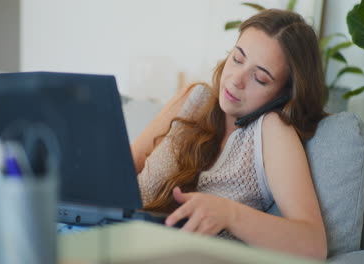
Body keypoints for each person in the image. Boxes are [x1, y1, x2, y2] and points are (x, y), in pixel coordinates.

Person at [131, 9, 328, 260]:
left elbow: (313, 245)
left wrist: (230, 214)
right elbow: (122, 166)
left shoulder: (271, 130)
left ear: (284, 93)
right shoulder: (192, 99)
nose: (236, 80)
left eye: (259, 78)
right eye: (237, 59)